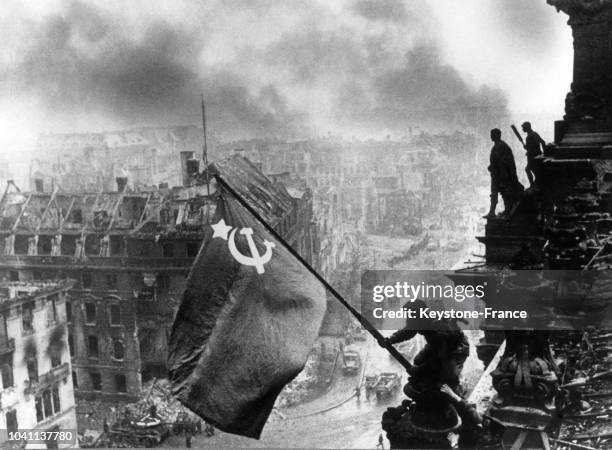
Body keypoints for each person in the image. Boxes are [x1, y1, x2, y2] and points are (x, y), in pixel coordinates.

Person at [484, 128, 523, 218]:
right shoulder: (498, 145)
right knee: (496, 193)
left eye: (492, 134)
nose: (491, 136)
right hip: (496, 174)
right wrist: (492, 166)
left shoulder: (501, 146)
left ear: (497, 135)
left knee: (503, 193)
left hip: (501, 175)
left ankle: (506, 211)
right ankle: (493, 212)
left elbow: (504, 161)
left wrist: (500, 170)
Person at [521, 121, 546, 188]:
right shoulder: (535, 133)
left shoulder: (529, 136)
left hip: (532, 157)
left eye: (523, 127)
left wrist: (526, 148)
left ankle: (532, 185)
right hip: (538, 155)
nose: (522, 129)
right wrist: (544, 153)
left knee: (528, 169)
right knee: (534, 170)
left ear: (527, 127)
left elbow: (531, 148)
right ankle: (536, 182)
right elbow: (543, 142)